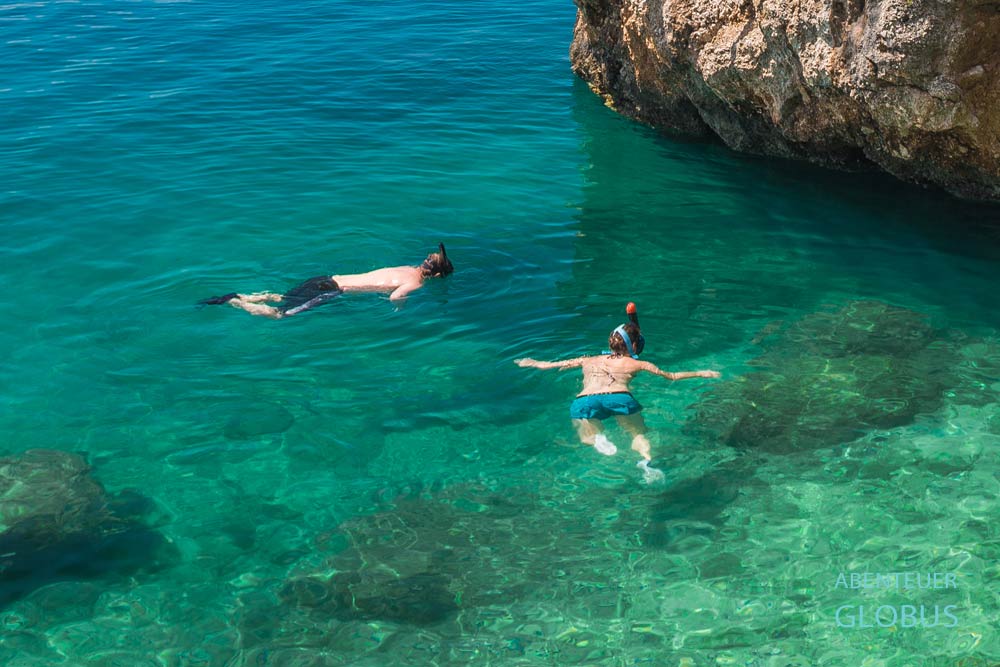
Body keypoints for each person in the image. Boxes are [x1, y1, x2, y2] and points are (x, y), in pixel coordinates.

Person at [514, 303, 720, 481]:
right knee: (637, 434)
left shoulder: (588, 359)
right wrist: (702, 372)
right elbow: (672, 376)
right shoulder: (638, 364)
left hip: (585, 401)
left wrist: (531, 363)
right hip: (620, 398)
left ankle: (597, 439)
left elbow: (550, 365)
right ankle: (646, 462)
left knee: (586, 434)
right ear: (635, 345)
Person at [198, 243, 454, 318]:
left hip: (326, 278)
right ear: (439, 276)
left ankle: (240, 296)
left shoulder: (406, 267)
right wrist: (400, 311)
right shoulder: (417, 282)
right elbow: (395, 296)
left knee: (280, 297)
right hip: (332, 290)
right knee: (279, 315)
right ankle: (235, 301)